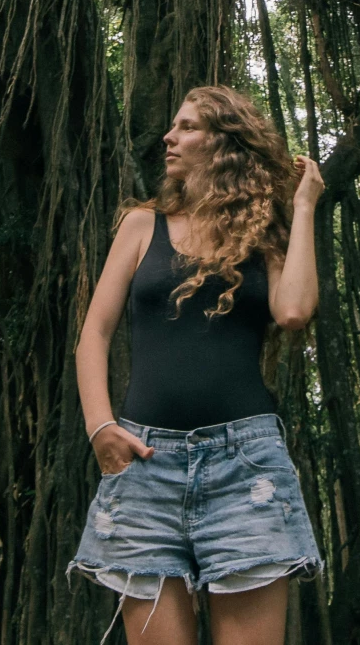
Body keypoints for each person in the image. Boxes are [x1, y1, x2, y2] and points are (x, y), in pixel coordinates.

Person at [71, 85, 326, 644]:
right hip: (144, 466)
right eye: (173, 125)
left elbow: (294, 311)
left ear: (224, 145)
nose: (169, 136)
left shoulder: (266, 233)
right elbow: (93, 333)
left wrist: (303, 206)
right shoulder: (142, 225)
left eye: (187, 126)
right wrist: (100, 428)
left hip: (246, 468)